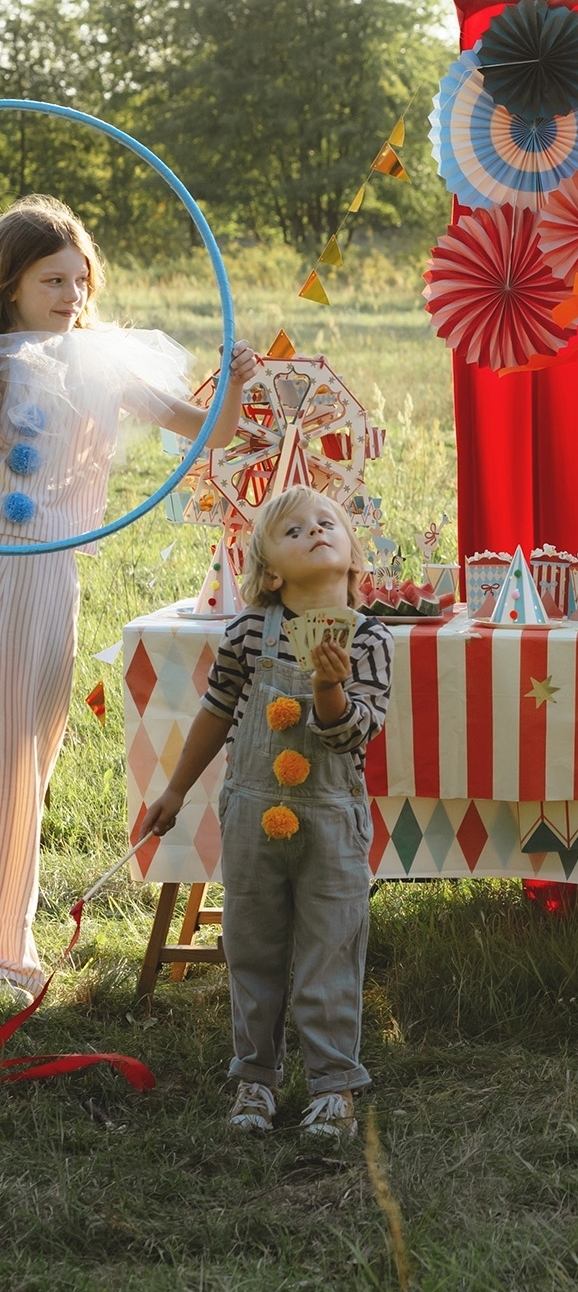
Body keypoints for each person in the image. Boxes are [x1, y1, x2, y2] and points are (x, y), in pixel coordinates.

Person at [0, 196, 254, 1009]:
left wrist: (238, 384)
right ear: (11, 284)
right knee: (9, 750)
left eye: (81, 279)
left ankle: (8, 929)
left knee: (28, 750)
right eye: (52, 279)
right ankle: (8, 939)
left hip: (45, 576)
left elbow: (209, 434)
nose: (72, 294)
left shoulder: (101, 361)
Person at [136, 485, 394, 1138]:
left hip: (332, 823)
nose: (314, 530)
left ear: (353, 552)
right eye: (294, 529)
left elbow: (352, 733)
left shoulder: (370, 640)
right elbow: (217, 711)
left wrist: (327, 688)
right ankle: (255, 1080)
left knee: (329, 952)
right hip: (253, 817)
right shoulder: (251, 630)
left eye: (326, 522)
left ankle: (333, 1086)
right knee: (252, 947)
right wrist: (174, 790)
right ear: (271, 572)